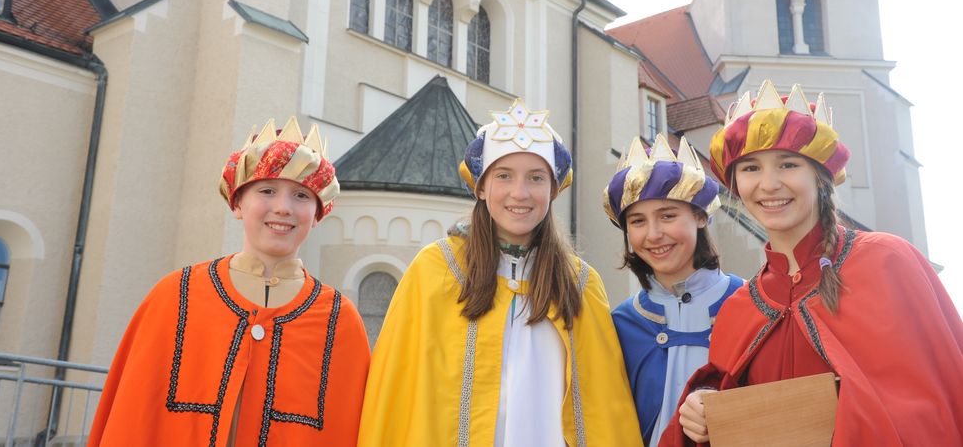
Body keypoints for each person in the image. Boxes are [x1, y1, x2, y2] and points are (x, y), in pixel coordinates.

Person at [663, 80, 963, 446]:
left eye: (788, 164)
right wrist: (700, 405)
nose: (769, 184)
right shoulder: (739, 308)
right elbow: (727, 401)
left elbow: (940, 401)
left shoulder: (888, 262)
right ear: (735, 184)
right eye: (751, 168)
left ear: (820, 177)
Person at [357, 98, 642, 447]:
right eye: (504, 176)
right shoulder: (434, 271)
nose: (519, 193)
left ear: (553, 190)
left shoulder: (579, 283)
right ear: (480, 186)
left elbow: (606, 410)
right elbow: (393, 394)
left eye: (536, 178)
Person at [89, 117, 370, 446]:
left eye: (301, 196)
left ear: (318, 213)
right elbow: (130, 418)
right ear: (237, 203)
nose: (283, 208)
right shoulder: (176, 296)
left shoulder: (340, 320)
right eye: (267, 191)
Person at [604, 134, 743, 446]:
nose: (654, 234)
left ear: (699, 216)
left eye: (668, 215)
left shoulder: (750, 305)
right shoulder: (622, 322)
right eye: (637, 221)